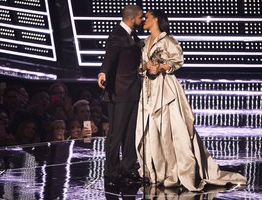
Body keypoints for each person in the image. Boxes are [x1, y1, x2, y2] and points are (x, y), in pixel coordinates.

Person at [135, 9, 247, 191]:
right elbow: (139, 66)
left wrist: (162, 66)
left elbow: (177, 61)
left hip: (166, 90)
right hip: (148, 89)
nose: (143, 21)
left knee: (172, 131)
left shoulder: (168, 40)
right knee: (150, 131)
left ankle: (176, 172)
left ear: (155, 19)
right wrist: (146, 66)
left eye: (146, 17)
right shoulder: (145, 42)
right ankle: (157, 170)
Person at [97, 5, 143, 186]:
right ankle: (111, 171)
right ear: (133, 19)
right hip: (119, 92)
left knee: (130, 132)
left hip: (132, 91)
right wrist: (103, 72)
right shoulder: (117, 35)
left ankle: (128, 168)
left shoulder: (132, 35)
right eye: (140, 18)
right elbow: (109, 57)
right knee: (116, 133)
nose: (142, 21)